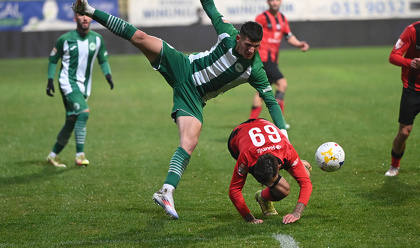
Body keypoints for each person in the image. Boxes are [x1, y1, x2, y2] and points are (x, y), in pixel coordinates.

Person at [71, 0, 287, 219]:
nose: (251, 50)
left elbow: (270, 101)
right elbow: (210, 7)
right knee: (140, 38)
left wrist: (284, 138)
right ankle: (88, 9)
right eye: (248, 44)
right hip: (183, 66)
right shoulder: (227, 33)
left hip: (193, 96)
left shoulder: (255, 69)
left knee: (189, 142)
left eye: (256, 46)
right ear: (239, 38)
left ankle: (166, 191)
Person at [46, 13, 114, 168]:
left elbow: (103, 60)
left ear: (91, 18)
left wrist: (108, 75)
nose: (84, 18)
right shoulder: (65, 39)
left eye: (87, 15)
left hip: (84, 86)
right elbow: (53, 59)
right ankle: (80, 156)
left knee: (72, 120)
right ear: (74, 18)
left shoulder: (97, 39)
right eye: (80, 15)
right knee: (83, 113)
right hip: (67, 82)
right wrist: (50, 80)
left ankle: (52, 155)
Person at [228, 118, 312, 224]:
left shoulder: (287, 149)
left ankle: (262, 196)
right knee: (283, 190)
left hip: (263, 125)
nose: (268, 185)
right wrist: (250, 219)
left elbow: (306, 183)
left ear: (279, 166)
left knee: (305, 176)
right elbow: (234, 190)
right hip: (236, 138)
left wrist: (296, 212)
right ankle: (298, 165)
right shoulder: (246, 158)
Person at [249, 0, 309, 128]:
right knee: (282, 84)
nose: (274, 2)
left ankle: (251, 123)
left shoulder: (282, 18)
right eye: (271, 0)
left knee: (261, 92)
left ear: (281, 2)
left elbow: (288, 36)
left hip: (273, 60)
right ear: (268, 2)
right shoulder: (262, 18)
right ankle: (279, 123)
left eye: (277, 0)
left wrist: (299, 44)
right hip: (263, 59)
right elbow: (252, 34)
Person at [385, 21, 420, 177]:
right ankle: (394, 165)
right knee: (404, 132)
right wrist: (409, 62)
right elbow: (393, 57)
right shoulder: (412, 30)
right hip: (412, 88)